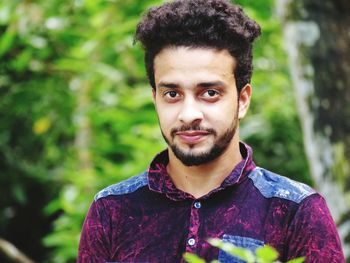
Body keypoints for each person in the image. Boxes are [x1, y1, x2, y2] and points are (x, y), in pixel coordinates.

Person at [77, 0, 345, 262]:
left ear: (242, 100)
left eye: (209, 93)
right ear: (155, 98)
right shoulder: (112, 211)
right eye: (172, 93)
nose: (189, 114)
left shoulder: (294, 212)